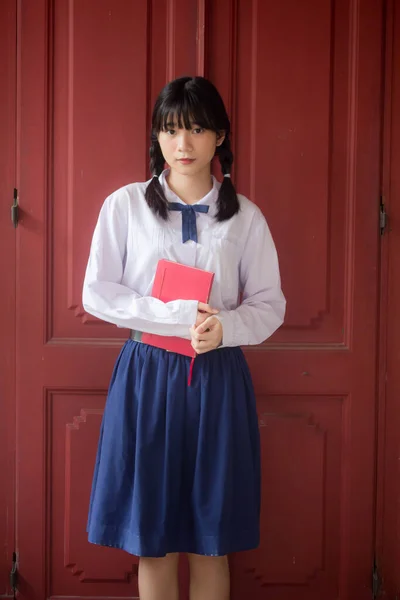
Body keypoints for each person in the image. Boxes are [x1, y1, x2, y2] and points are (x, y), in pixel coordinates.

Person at [82, 75, 286, 600]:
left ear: (219, 135)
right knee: (153, 538)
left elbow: (270, 305)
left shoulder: (246, 218)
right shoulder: (124, 206)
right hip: (147, 375)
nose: (183, 144)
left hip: (217, 378)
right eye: (171, 130)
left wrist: (227, 328)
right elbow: (97, 292)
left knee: (210, 538)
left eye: (197, 129)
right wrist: (174, 315)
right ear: (157, 137)